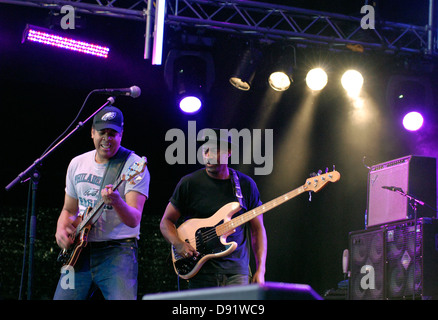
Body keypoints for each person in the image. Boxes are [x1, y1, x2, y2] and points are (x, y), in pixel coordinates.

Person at [53, 106, 150, 300]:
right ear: (92, 133)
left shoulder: (134, 165)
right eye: (102, 132)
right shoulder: (77, 163)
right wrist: (61, 229)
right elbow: (68, 209)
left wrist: (116, 202)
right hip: (78, 253)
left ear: (121, 135)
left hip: (117, 252)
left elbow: (134, 219)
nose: (107, 138)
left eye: (113, 133)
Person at [160, 128, 267, 289]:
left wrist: (261, 269)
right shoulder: (189, 183)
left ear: (228, 152)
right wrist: (178, 244)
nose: (208, 155)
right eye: (205, 150)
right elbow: (166, 222)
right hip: (200, 271)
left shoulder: (245, 185)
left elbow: (257, 231)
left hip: (237, 272)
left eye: (214, 151)